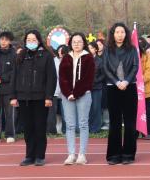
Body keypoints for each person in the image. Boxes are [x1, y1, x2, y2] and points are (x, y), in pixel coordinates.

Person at [13, 30, 57, 166]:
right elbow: (14, 77)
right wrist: (13, 96)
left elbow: (51, 78)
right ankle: (29, 155)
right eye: (28, 40)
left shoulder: (46, 56)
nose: (31, 42)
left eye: (33, 40)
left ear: (39, 41)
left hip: (41, 98)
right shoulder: (21, 55)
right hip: (24, 98)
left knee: (39, 127)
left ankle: (40, 156)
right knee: (28, 128)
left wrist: (49, 96)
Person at [101, 22, 139, 165]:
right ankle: (114, 154)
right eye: (117, 32)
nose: (120, 35)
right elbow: (105, 68)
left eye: (122, 32)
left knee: (129, 122)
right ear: (113, 34)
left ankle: (128, 154)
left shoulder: (132, 49)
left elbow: (135, 66)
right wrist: (117, 82)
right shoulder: (107, 50)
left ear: (126, 34)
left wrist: (126, 81)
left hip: (130, 87)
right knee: (115, 122)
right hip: (113, 87)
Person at [57, 33, 95, 165]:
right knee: (70, 125)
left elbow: (88, 79)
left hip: (84, 94)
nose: (76, 44)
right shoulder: (66, 58)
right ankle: (71, 154)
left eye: (79, 41)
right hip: (67, 96)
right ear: (70, 44)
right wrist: (68, 93)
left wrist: (76, 93)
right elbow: (62, 78)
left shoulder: (88, 58)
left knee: (83, 124)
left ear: (83, 43)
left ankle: (82, 154)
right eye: (74, 42)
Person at [87, 40, 106, 134]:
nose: (89, 50)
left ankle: (96, 128)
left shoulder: (100, 61)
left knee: (96, 108)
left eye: (91, 48)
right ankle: (88, 127)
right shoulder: (85, 59)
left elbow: (104, 74)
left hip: (97, 88)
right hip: (86, 88)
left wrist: (95, 81)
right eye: (88, 48)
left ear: (95, 49)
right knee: (88, 108)